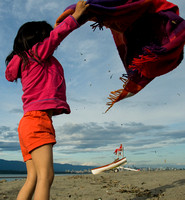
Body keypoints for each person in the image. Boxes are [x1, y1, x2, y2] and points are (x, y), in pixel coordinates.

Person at [5, 1, 89, 200]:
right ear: (38, 39)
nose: (50, 43)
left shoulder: (25, 60)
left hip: (26, 124)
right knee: (46, 176)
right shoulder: (37, 54)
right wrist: (75, 17)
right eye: (46, 36)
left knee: (32, 178)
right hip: (37, 121)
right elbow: (57, 35)